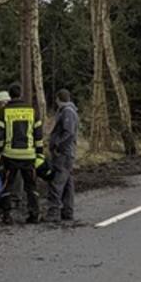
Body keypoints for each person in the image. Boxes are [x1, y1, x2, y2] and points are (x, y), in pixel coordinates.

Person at [0, 85, 42, 223]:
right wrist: (39, 153)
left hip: (10, 155)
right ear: (21, 94)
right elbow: (38, 134)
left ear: (10, 96)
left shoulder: (3, 112)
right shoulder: (32, 111)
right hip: (29, 155)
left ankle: (6, 215)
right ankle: (34, 213)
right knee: (31, 185)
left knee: (8, 184)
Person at [46, 88, 78, 224]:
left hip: (63, 154)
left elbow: (68, 133)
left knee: (57, 182)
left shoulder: (67, 112)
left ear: (58, 99)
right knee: (67, 183)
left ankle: (54, 212)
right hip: (67, 153)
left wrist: (57, 145)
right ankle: (67, 211)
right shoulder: (70, 111)